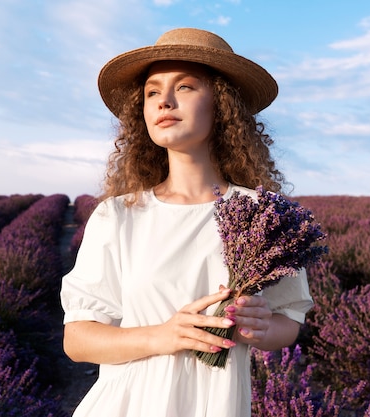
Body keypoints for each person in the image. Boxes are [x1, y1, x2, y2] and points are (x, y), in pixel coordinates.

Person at [60, 27, 314, 417]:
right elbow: (78, 339)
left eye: (185, 87)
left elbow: (289, 320)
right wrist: (163, 336)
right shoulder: (118, 215)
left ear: (222, 104)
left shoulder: (263, 215)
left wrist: (260, 329)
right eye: (152, 91)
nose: (164, 100)